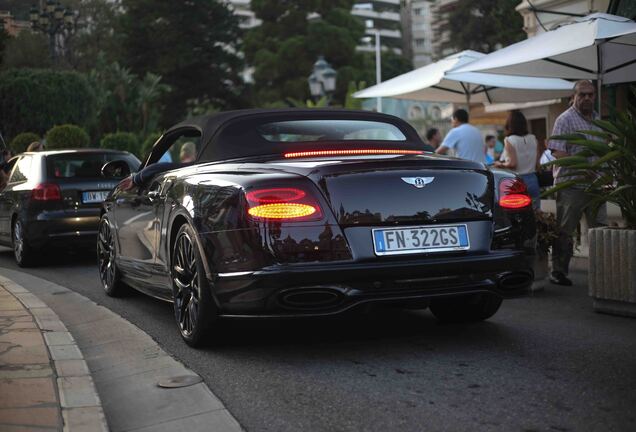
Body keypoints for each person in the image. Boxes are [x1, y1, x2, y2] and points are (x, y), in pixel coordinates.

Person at [548, 80, 606, 286]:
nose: (587, 98)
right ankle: (558, 271)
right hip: (571, 185)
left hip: (597, 186)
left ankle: (603, 272)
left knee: (601, 230)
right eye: (582, 95)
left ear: (595, 96)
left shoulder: (598, 120)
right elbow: (557, 152)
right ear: (574, 97)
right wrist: (582, 167)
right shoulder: (565, 119)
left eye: (590, 94)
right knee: (565, 230)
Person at [493, 110, 540, 209]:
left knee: (518, 214)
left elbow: (513, 163)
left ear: (510, 124)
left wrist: (500, 164)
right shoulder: (533, 138)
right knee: (536, 213)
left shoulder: (509, 140)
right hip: (533, 179)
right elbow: (537, 164)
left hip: (517, 181)